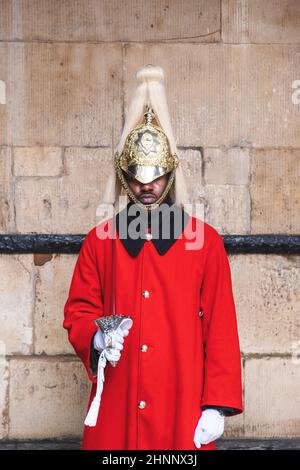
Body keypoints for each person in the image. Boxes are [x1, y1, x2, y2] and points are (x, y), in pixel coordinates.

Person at [63, 65, 243, 450]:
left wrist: (217, 405)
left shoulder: (205, 243)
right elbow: (79, 311)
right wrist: (96, 336)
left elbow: (221, 328)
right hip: (118, 404)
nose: (147, 186)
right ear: (124, 175)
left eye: (156, 176)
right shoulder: (101, 241)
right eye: (137, 177)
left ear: (171, 174)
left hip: (181, 406)